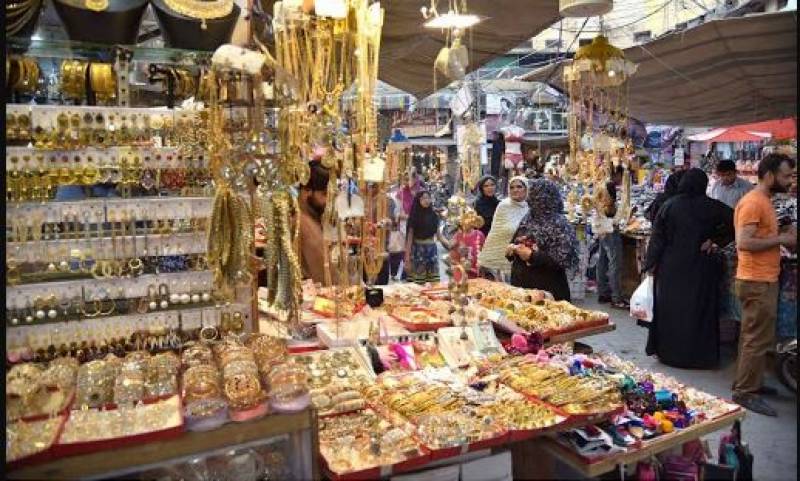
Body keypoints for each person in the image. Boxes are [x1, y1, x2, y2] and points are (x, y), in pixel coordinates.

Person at [642, 168, 735, 369]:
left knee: (672, 310)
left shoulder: (669, 206)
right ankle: (698, 356)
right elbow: (736, 221)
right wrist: (715, 240)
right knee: (699, 311)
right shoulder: (712, 206)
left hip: (671, 267)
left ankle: (669, 353)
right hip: (701, 267)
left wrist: (649, 265)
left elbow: (658, 238)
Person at [731, 154, 797, 416]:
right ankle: (745, 392)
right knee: (755, 340)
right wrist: (781, 239)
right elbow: (744, 242)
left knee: (756, 338)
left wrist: (780, 237)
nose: (790, 181)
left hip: (763, 278)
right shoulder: (753, 202)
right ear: (769, 175)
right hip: (755, 280)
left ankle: (751, 383)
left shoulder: (764, 201)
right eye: (785, 176)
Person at [506, 179, 579, 301]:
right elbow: (516, 241)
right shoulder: (528, 218)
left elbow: (563, 259)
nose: (531, 199)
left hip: (547, 289)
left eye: (535, 195)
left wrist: (532, 256)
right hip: (522, 287)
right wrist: (512, 250)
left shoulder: (560, 224)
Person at [478, 176, 529, 281]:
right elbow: (496, 233)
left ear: (526, 189)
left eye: (519, 187)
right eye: (512, 187)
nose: (515, 190)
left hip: (526, 259)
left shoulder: (531, 207)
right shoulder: (503, 206)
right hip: (502, 256)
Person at [594, 166, 628, 309]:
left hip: (602, 229)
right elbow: (614, 214)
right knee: (615, 264)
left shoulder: (600, 188)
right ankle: (616, 297)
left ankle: (603, 293)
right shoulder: (608, 191)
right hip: (610, 230)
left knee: (602, 261)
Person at [405, 191, 448, 285]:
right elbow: (409, 239)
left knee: (435, 282)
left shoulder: (434, 216)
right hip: (417, 252)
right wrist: (407, 258)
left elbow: (439, 236)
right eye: (423, 198)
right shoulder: (414, 216)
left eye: (428, 198)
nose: (426, 200)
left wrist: (451, 245)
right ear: (418, 200)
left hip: (432, 251)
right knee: (418, 284)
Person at [298, 161, 330, 285]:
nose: (327, 201)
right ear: (306, 191)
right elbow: (323, 273)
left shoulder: (309, 217)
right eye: (324, 194)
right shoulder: (303, 222)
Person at [449, 210, 486, 279]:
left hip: (476, 273)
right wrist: (460, 264)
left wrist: (481, 264)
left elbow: (484, 253)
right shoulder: (457, 236)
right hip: (461, 274)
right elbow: (452, 258)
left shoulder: (479, 235)